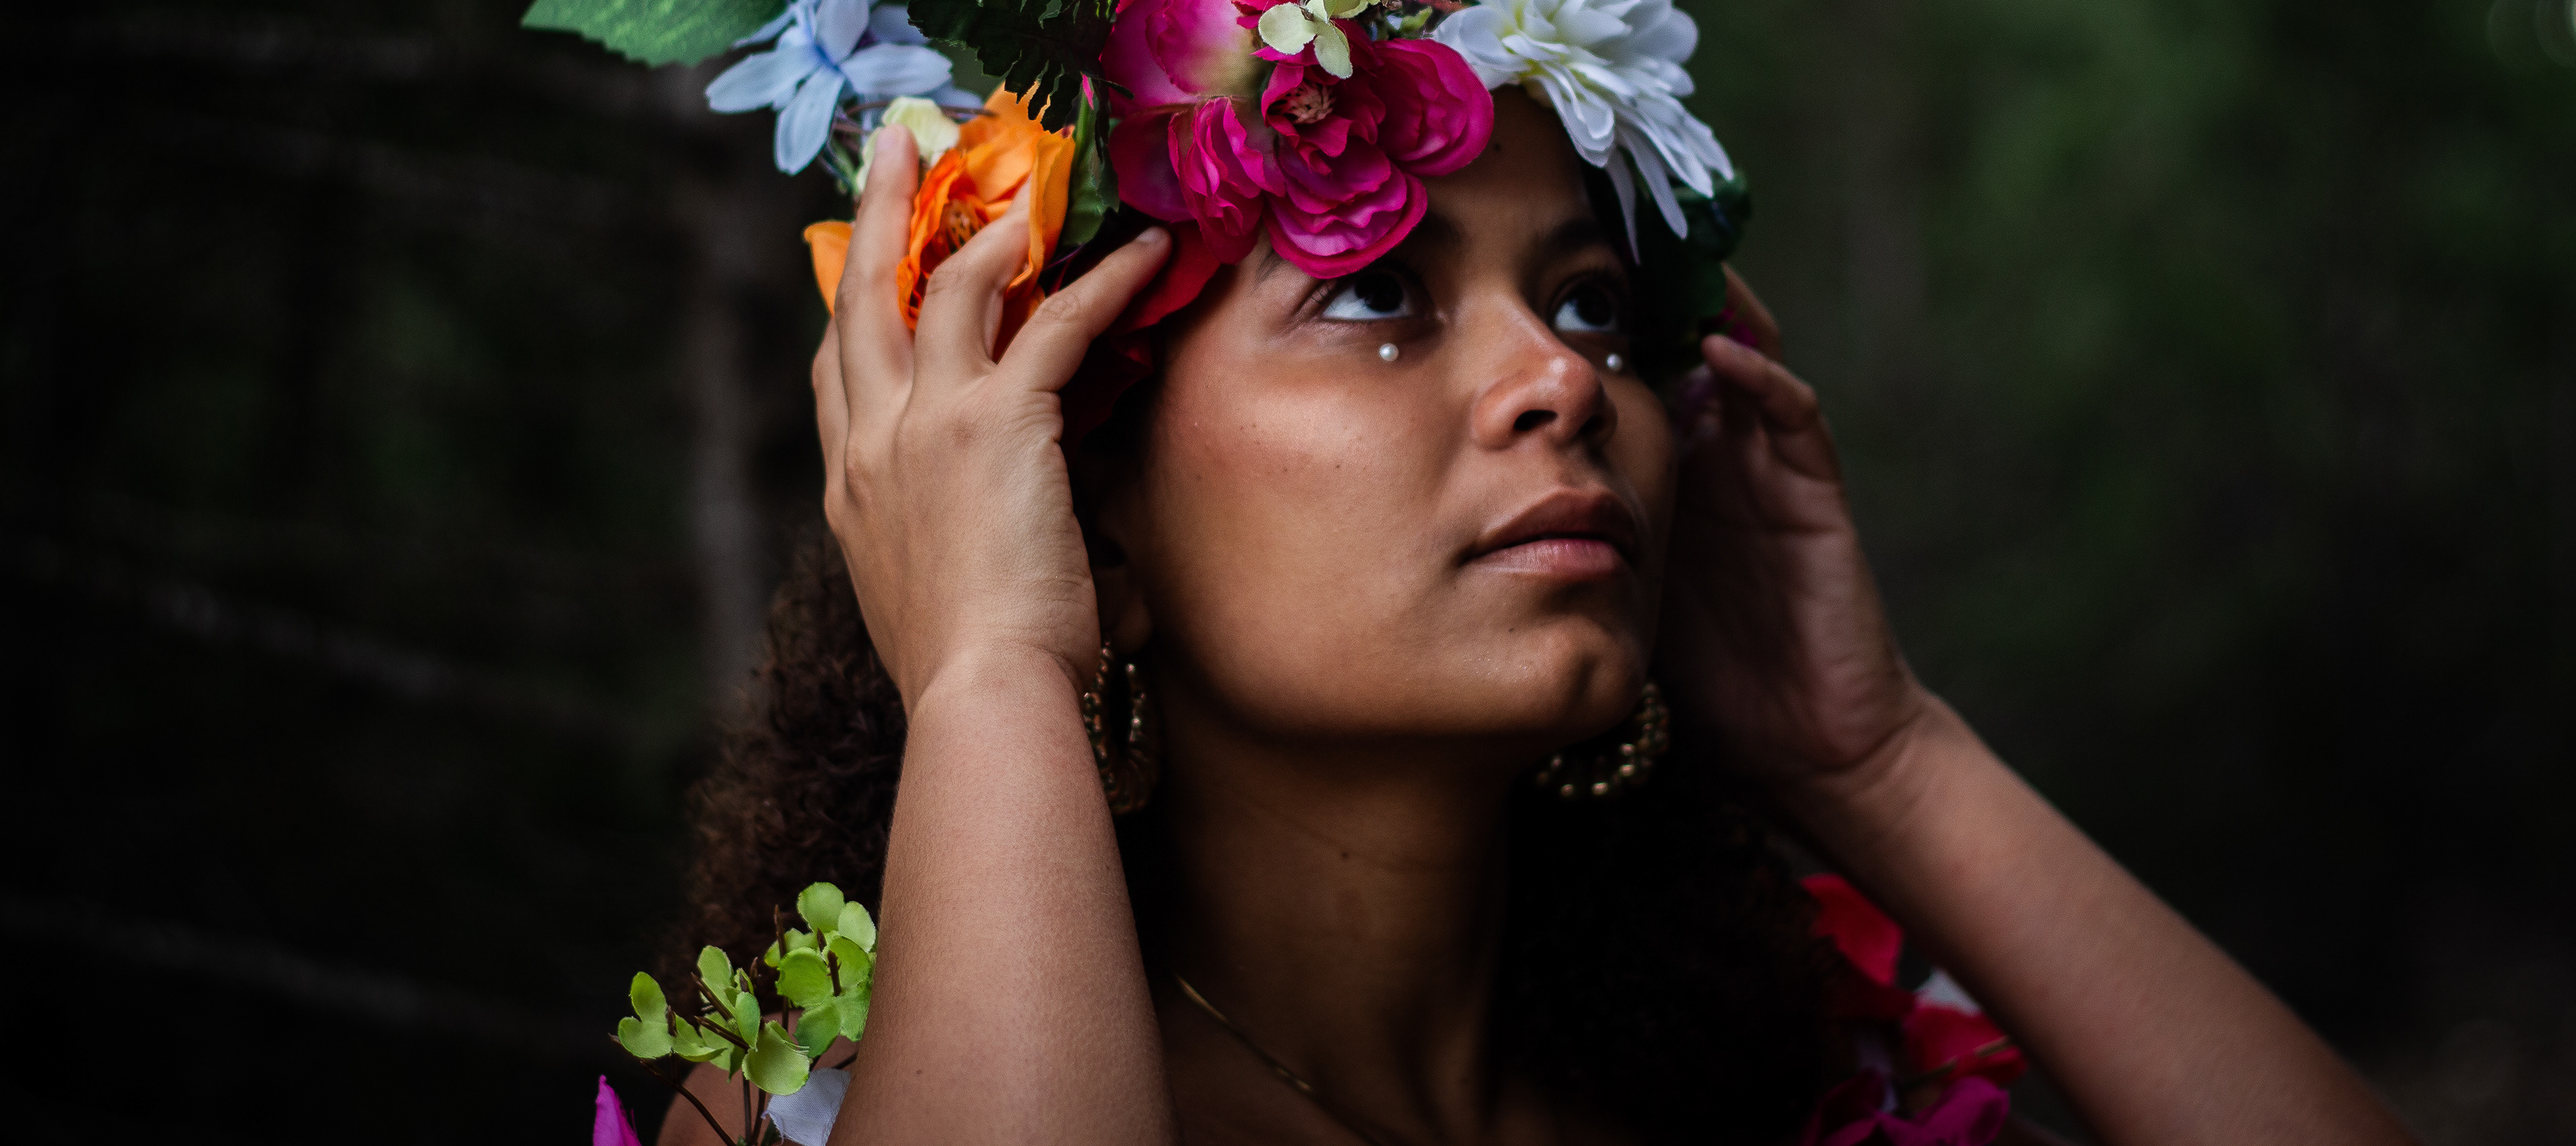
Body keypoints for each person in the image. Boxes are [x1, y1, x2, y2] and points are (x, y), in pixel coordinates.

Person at [653, 81, 2417, 1146]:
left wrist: (1881, 761)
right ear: (1079, 508)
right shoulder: (816, 1104)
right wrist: (987, 669)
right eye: (1370, 291)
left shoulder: (1801, 1083)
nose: (1562, 383)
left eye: (1588, 307)